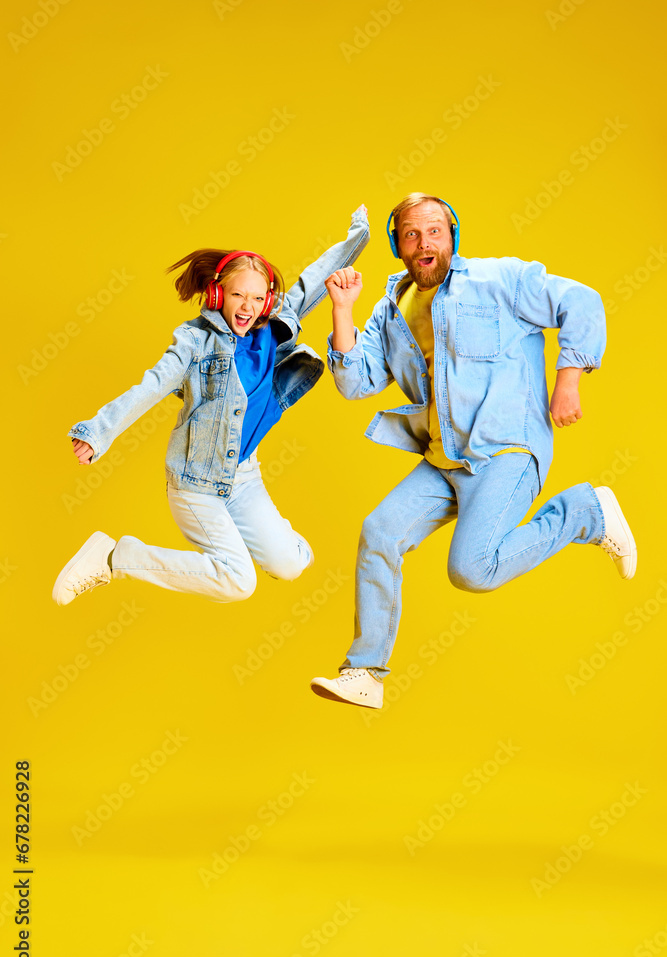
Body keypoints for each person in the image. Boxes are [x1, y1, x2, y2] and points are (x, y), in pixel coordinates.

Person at [310, 193, 636, 710]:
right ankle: (365, 672)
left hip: (506, 449)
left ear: (452, 235)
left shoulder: (499, 280)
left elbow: (582, 300)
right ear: (397, 244)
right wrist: (343, 310)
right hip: (445, 459)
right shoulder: (389, 310)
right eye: (412, 235)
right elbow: (357, 383)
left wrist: (568, 380)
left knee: (471, 569)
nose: (424, 244)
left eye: (434, 232)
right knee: (379, 533)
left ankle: (584, 513)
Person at [52, 206, 369, 607]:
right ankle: (116, 557)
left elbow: (316, 278)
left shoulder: (274, 327)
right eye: (237, 294)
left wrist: (358, 236)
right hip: (194, 482)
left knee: (290, 565)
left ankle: (278, 546)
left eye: (257, 298)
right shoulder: (194, 341)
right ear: (218, 293)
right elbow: (151, 386)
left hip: (243, 477)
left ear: (268, 301)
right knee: (239, 582)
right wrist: (98, 432)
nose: (247, 306)